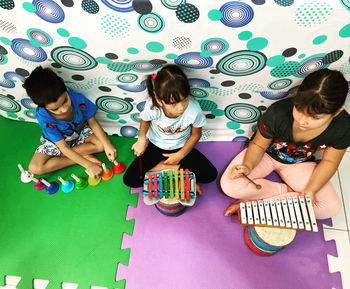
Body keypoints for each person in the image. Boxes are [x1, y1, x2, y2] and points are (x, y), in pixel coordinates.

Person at [220, 69, 350, 219]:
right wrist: (248, 166)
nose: (302, 121)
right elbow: (258, 146)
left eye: (314, 117)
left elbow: (330, 161)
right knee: (230, 184)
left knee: (330, 208)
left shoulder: (344, 127)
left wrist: (311, 190)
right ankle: (286, 193)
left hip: (300, 164)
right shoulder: (278, 113)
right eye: (299, 109)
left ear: (336, 112)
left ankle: (254, 206)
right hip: (266, 155)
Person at [123, 64, 217, 194]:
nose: (181, 107)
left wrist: (181, 155)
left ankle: (172, 170)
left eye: (184, 99)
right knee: (130, 180)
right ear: (160, 100)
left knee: (210, 175)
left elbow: (196, 135)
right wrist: (141, 139)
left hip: (181, 148)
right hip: (155, 147)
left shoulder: (193, 109)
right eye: (173, 103)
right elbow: (145, 120)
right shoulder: (153, 106)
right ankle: (168, 169)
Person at [23, 66, 117, 179]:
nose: (64, 109)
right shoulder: (43, 117)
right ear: (44, 107)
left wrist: (108, 144)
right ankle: (79, 157)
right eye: (55, 109)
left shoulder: (78, 99)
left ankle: (72, 156)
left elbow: (93, 122)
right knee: (35, 168)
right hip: (59, 143)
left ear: (66, 91)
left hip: (80, 132)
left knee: (102, 144)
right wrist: (88, 164)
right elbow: (63, 147)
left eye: (65, 101)